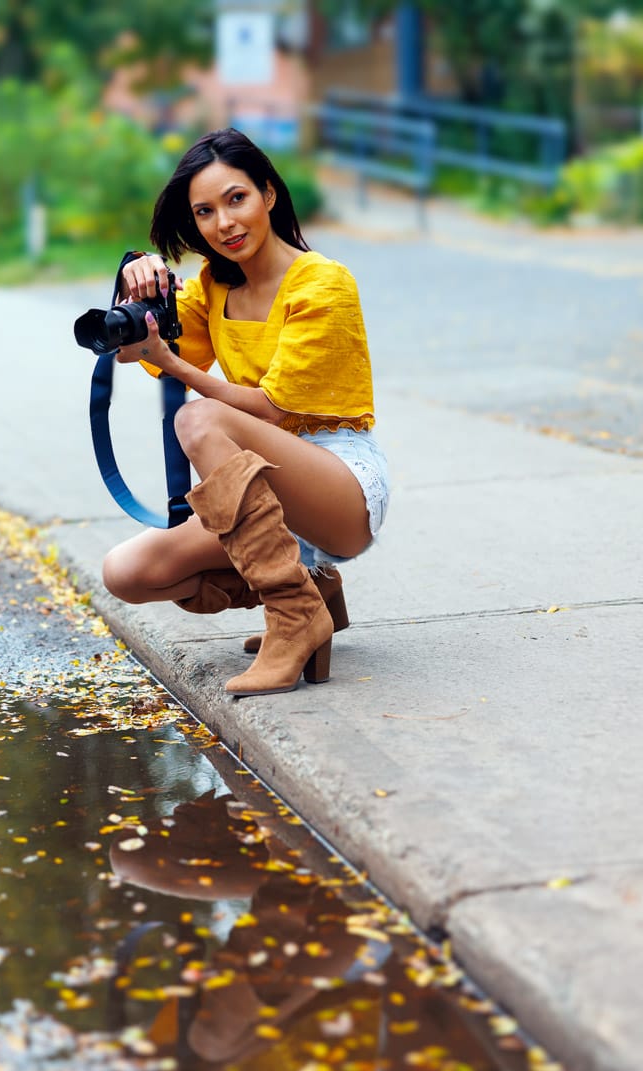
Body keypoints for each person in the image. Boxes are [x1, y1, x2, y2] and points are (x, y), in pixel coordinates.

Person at [99, 128, 390, 697]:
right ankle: (313, 589)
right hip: (257, 492)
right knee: (127, 573)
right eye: (205, 212)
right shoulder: (212, 287)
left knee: (198, 419)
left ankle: (293, 615)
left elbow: (270, 411)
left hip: (340, 483)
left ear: (269, 196)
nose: (224, 223)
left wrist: (172, 364)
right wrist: (139, 285)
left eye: (237, 199)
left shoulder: (323, 283)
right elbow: (147, 352)